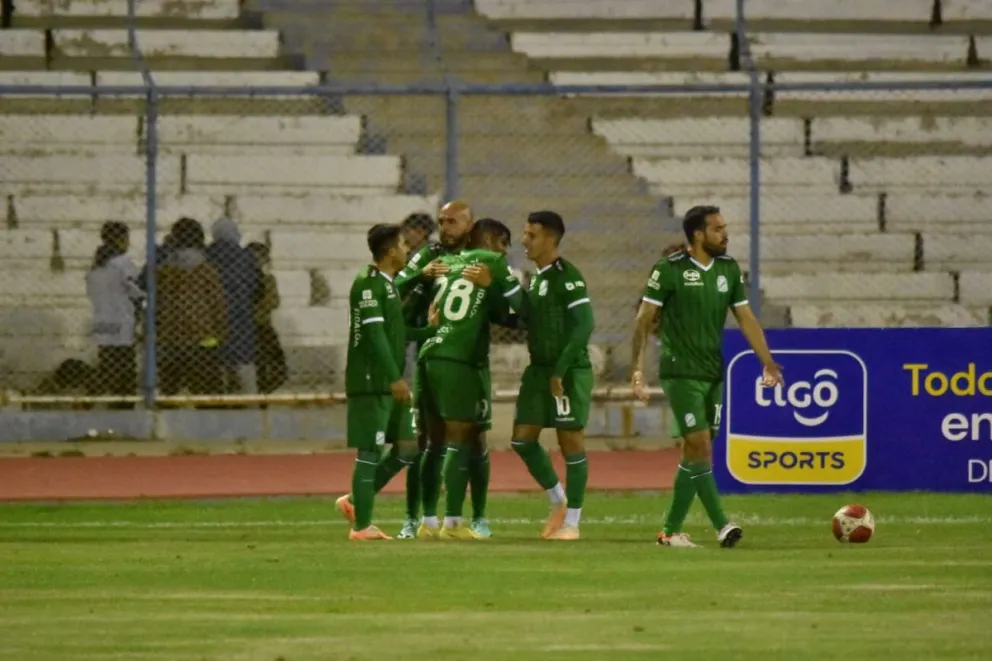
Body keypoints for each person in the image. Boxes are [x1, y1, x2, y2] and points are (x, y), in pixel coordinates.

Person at [629, 205, 784, 549]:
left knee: (696, 453)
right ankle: (722, 525)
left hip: (713, 371)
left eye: (724, 228)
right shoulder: (669, 269)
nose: (724, 234)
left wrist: (768, 362)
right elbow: (644, 318)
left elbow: (745, 318)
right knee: (699, 444)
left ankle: (670, 532)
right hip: (680, 371)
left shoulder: (728, 269)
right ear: (698, 234)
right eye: (717, 229)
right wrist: (637, 368)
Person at [414, 218, 524, 540]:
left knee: (434, 442)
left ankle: (427, 522)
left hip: (428, 355)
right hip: (461, 359)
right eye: (502, 244)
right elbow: (523, 308)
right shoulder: (491, 262)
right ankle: (453, 523)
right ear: (489, 241)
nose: (504, 253)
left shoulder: (446, 263)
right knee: (463, 438)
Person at [391, 201, 490, 540]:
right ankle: (414, 518)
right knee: (424, 442)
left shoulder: (481, 258)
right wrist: (421, 274)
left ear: (469, 225)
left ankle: (478, 517)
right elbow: (395, 285)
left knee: (475, 440)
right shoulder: (428, 256)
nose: (445, 228)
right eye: (442, 221)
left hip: (470, 361)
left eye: (452, 222)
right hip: (431, 358)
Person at [334, 224, 436, 540]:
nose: (408, 250)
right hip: (371, 381)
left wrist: (431, 331)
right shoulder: (367, 284)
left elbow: (396, 333)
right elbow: (376, 335)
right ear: (391, 252)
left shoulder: (388, 285)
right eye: (404, 245)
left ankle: (354, 501)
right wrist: (395, 377)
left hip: (389, 382)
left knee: (407, 448)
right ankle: (362, 527)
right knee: (370, 451)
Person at [509, 211, 595, 541]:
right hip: (539, 369)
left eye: (531, 235)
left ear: (550, 239)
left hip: (567, 370)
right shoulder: (537, 279)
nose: (524, 240)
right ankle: (558, 500)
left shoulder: (567, 275)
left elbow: (585, 325)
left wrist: (560, 370)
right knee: (522, 439)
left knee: (570, 441)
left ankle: (572, 523)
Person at [156, 217, 228, 400]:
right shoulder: (206, 269)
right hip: (203, 337)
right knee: (208, 392)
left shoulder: (165, 270)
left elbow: (158, 303)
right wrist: (221, 332)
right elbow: (217, 304)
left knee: (170, 390)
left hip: (171, 338)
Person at [86, 221, 145, 409]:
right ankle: (121, 409)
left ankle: (98, 399)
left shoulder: (96, 267)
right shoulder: (123, 264)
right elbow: (137, 291)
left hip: (103, 323)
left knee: (108, 366)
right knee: (125, 372)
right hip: (122, 324)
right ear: (120, 239)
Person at [206, 217, 261, 397]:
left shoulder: (207, 256)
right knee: (244, 363)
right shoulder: (246, 257)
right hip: (241, 316)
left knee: (216, 362)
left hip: (213, 317)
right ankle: (249, 401)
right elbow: (256, 286)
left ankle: (220, 399)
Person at [246, 242, 287, 395]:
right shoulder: (247, 281)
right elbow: (272, 302)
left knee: (273, 366)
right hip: (256, 326)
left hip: (261, 326)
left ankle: (263, 391)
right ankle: (261, 392)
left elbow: (274, 302)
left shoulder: (266, 279)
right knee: (261, 366)